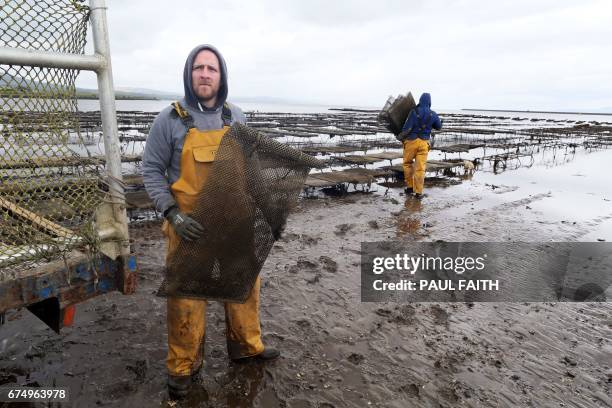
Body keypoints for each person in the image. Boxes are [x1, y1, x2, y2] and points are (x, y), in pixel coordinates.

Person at [142, 44, 280, 399]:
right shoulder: (169, 119)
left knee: (245, 288)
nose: (205, 74)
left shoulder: (237, 117)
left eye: (212, 69)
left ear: (222, 76)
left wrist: (266, 210)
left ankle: (247, 347)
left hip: (234, 223)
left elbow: (251, 170)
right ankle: (183, 368)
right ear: (189, 74)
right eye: (199, 68)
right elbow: (152, 170)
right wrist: (172, 213)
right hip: (189, 226)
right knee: (187, 299)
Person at [399, 92, 442, 199]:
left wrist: (401, 137)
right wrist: (442, 122)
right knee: (420, 169)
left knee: (407, 164)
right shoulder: (433, 114)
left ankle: (409, 187)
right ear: (429, 102)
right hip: (424, 143)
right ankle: (418, 193)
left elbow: (407, 128)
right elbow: (439, 127)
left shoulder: (414, 111)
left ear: (420, 100)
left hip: (411, 142)